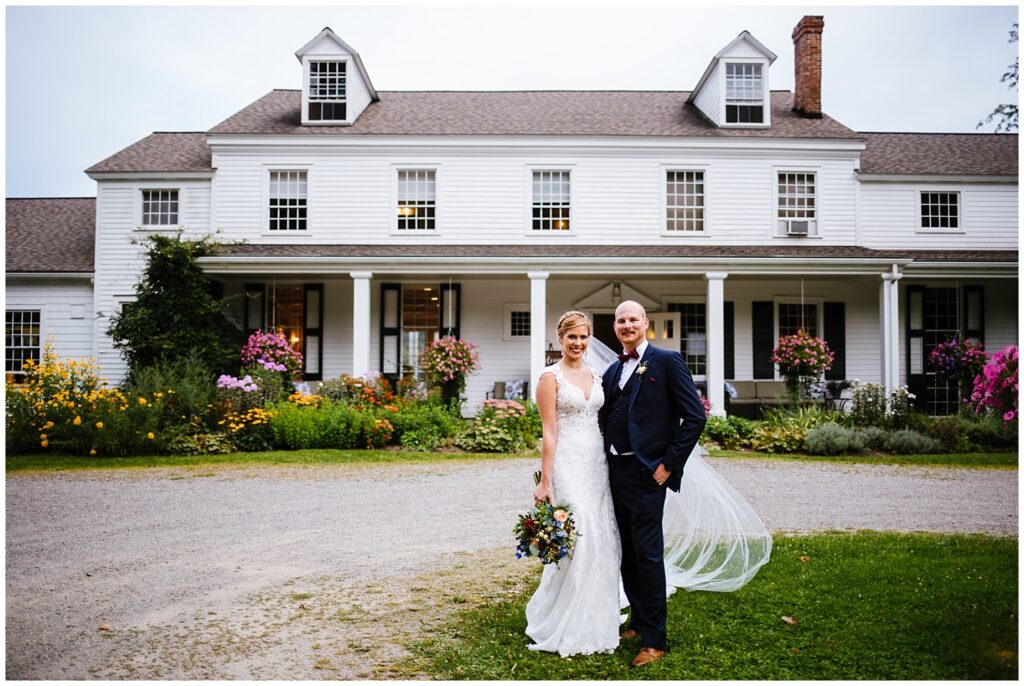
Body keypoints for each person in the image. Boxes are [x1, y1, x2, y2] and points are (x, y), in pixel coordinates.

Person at [599, 300, 707, 667]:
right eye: (620, 320)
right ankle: (639, 621)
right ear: (615, 326)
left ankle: (655, 641)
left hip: (648, 475)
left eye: (633, 319)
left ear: (645, 323)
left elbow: (694, 417)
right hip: (614, 474)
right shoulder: (614, 370)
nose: (626, 325)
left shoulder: (666, 360)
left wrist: (668, 466)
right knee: (625, 551)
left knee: (647, 555)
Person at [524, 311, 622, 657]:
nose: (578, 343)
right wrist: (546, 479)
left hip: (596, 461)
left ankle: (597, 613)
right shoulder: (549, 378)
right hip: (567, 461)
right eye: (571, 338)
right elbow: (549, 431)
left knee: (601, 535)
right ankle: (565, 618)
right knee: (580, 537)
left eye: (583, 337)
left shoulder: (596, 375)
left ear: (589, 338)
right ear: (560, 339)